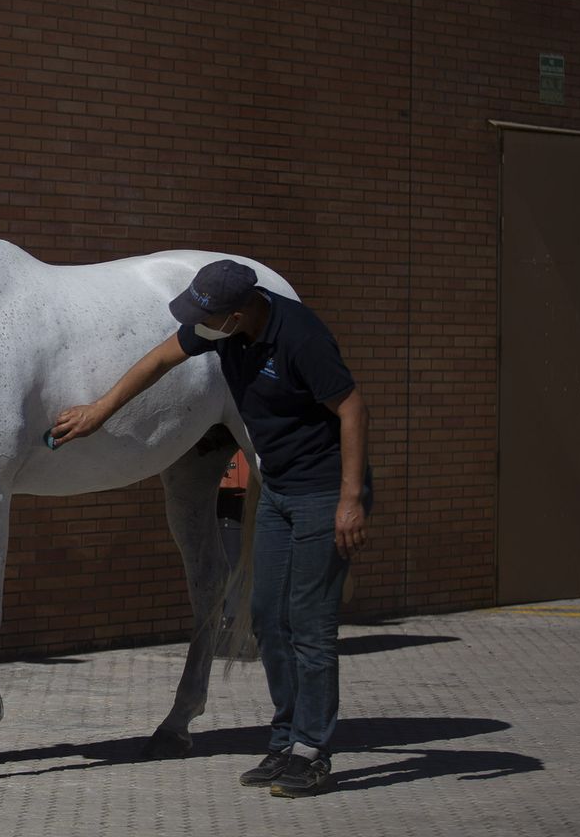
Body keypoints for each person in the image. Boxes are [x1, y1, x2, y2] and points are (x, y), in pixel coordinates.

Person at [50, 258, 369, 799]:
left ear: (241, 311)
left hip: (321, 493)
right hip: (280, 491)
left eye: (209, 316)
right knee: (267, 617)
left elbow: (353, 409)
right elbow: (158, 360)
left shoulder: (301, 336)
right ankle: (286, 740)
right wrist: (100, 411)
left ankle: (313, 751)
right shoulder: (223, 329)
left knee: (310, 628)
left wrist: (351, 499)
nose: (199, 324)